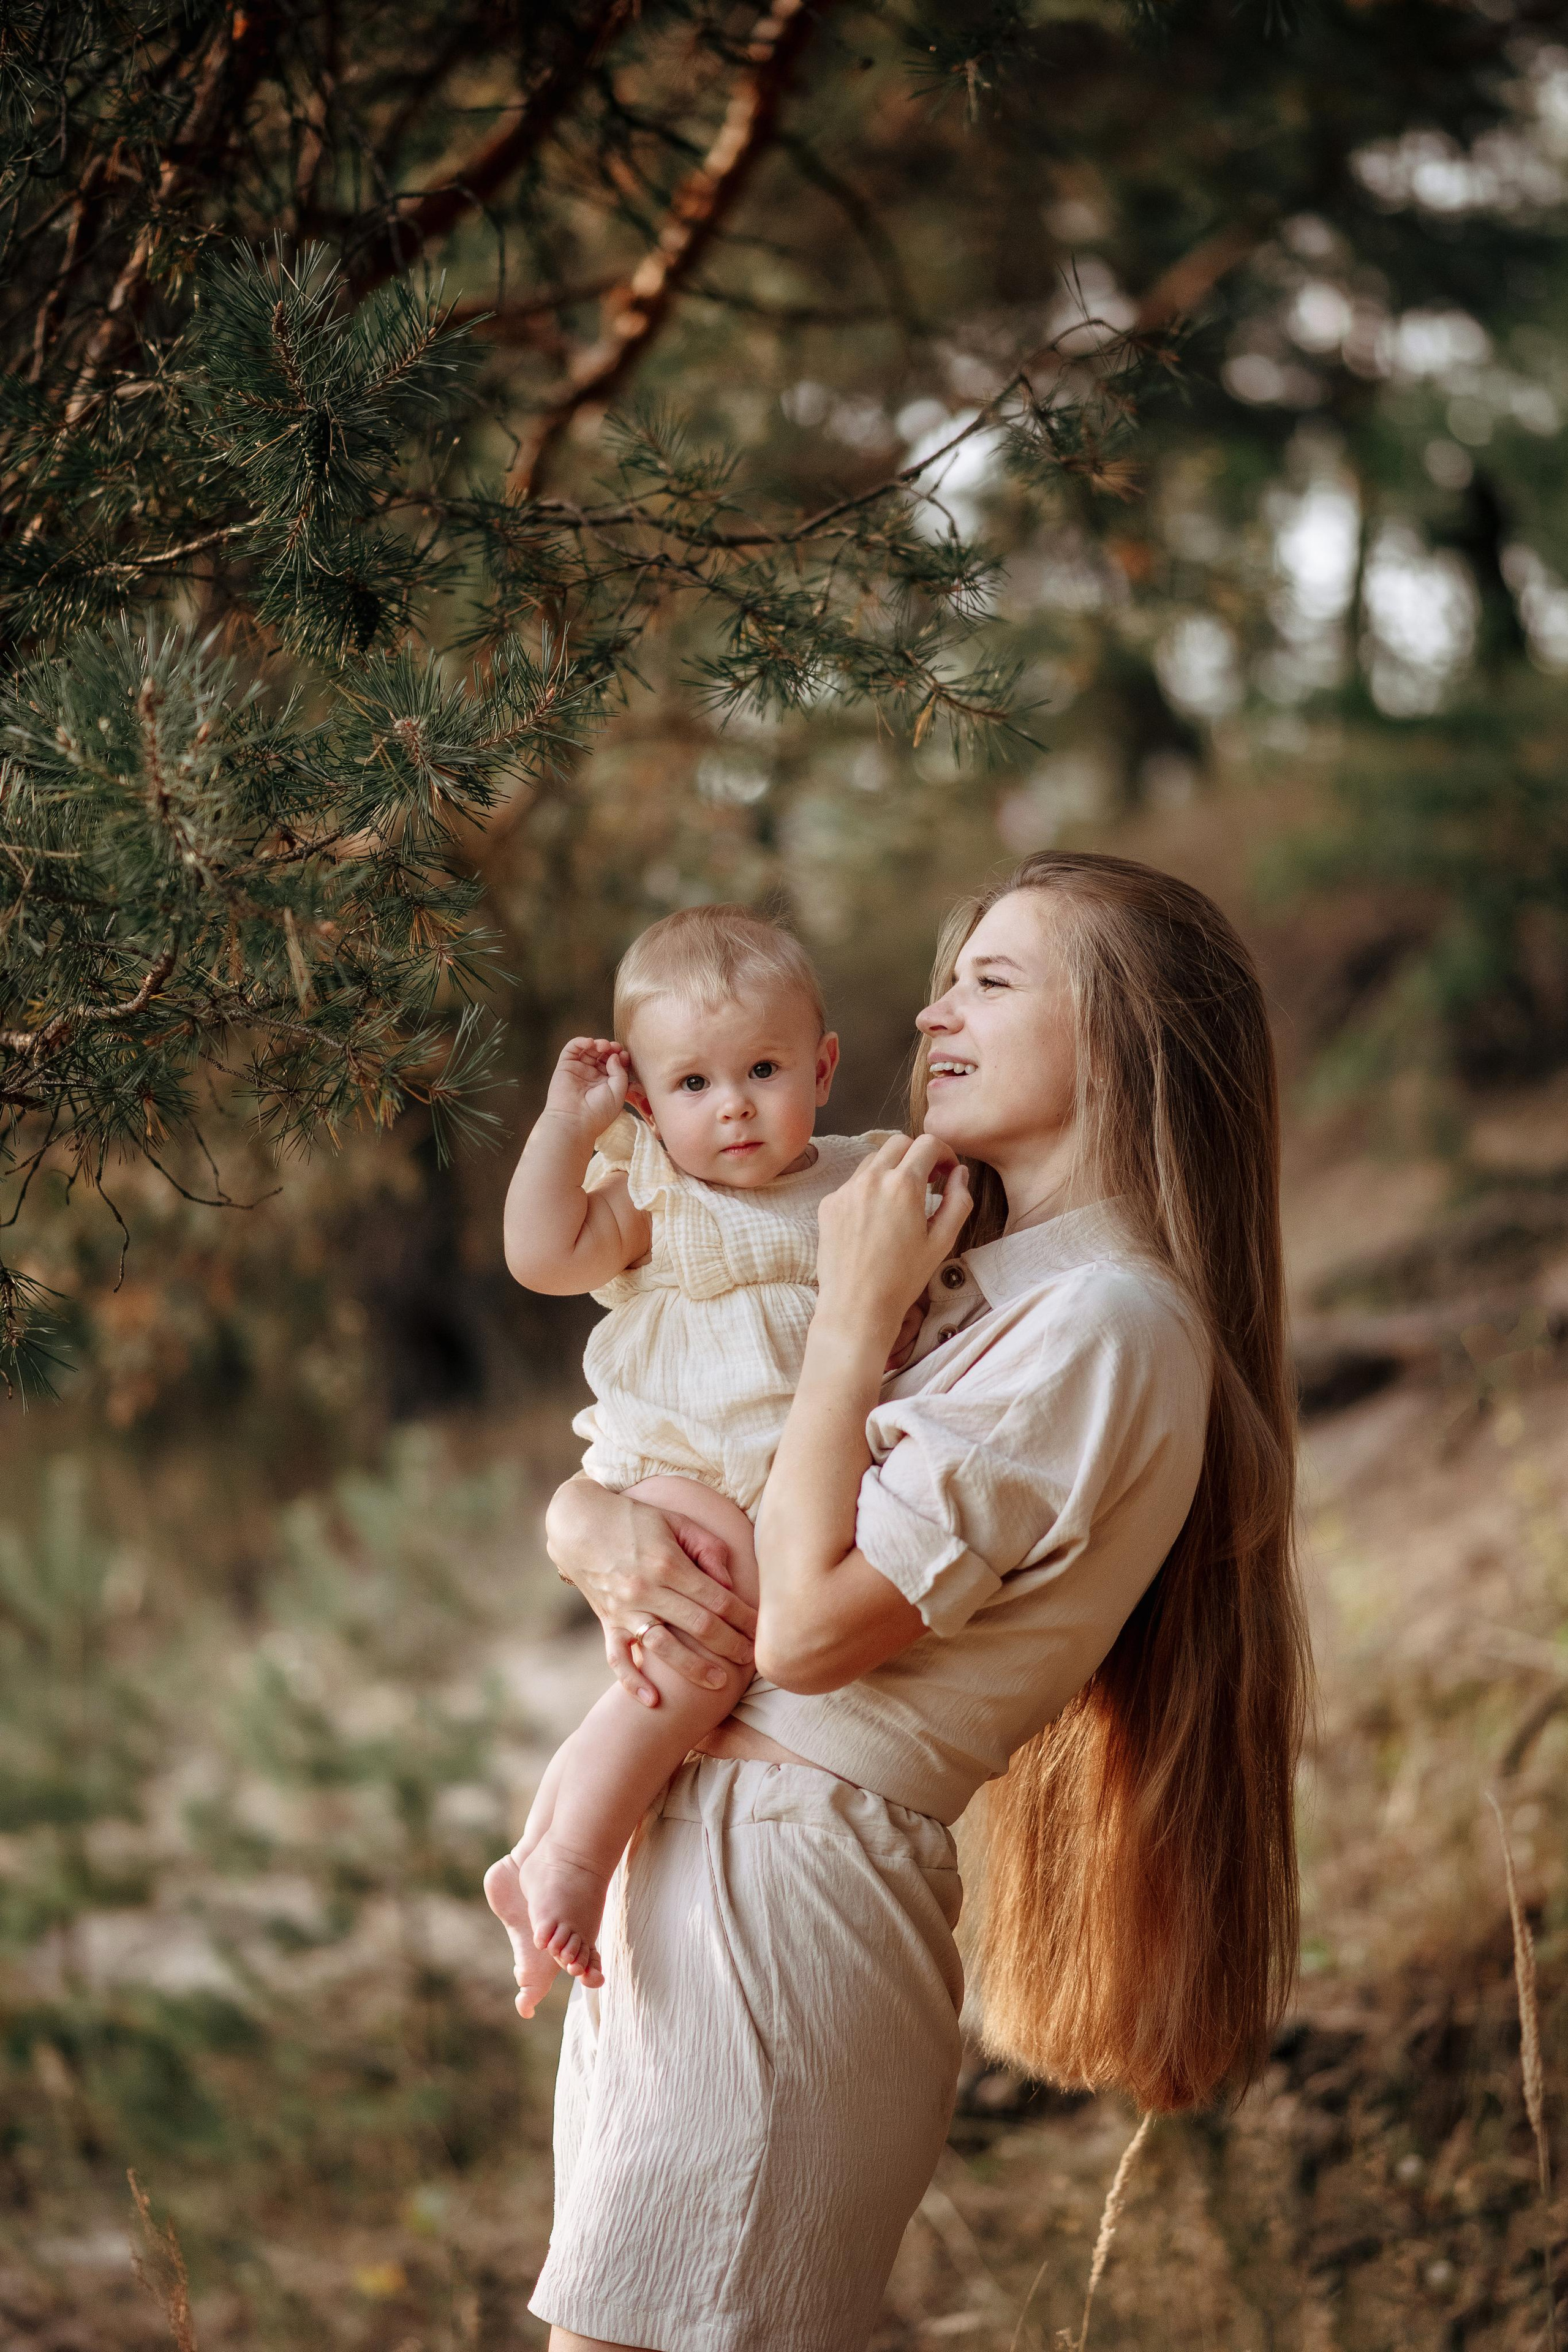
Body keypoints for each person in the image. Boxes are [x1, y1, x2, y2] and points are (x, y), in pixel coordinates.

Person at [525, 851, 1310, 2352]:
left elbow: (809, 1631)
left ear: (1126, 1035)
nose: (934, 1013)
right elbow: (724, 1496)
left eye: (992, 980)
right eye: (946, 977)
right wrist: (588, 1521)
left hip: (793, 1872)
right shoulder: (992, 1290)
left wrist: (853, 1310)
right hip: (693, 1864)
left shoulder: (1109, 1323)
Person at [485, 905, 896, 2016]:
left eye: (763, 1070)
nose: (734, 1108)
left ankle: (536, 1850)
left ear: (821, 1066)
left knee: (677, 1680)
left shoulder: (868, 1178)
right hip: (685, 1473)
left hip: (789, 1490)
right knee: (702, 1665)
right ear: (647, 1101)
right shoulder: (660, 1198)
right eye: (693, 1086)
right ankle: (572, 1859)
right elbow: (539, 1257)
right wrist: (565, 1134)